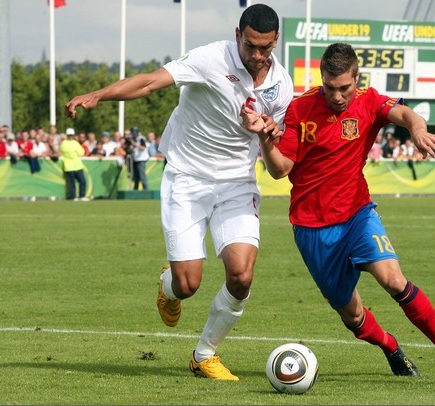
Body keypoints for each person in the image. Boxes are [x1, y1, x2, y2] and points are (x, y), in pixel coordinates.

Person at [64, 4, 292, 381]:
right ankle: (168, 287)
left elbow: (275, 161)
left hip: (237, 183)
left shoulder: (282, 86)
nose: (256, 56)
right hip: (187, 178)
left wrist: (266, 133)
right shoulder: (209, 58)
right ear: (238, 35)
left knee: (242, 275)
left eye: (265, 49)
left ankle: (205, 354)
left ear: (275, 42)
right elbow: (151, 81)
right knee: (187, 284)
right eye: (250, 45)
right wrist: (100, 94)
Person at [242, 42, 435, 387]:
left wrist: (417, 129)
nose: (337, 96)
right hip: (312, 229)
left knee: (394, 280)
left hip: (357, 215)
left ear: (357, 79)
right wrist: (265, 138)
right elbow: (280, 170)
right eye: (329, 87)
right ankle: (390, 346)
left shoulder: (369, 101)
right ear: (322, 79)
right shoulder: (300, 109)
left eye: (344, 88)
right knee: (353, 316)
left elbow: (406, 114)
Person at [60, 128, 88, 201]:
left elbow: (81, 152)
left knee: (80, 181)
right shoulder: (67, 143)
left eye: (71, 135)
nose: (70, 136)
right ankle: (75, 196)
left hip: (75, 165)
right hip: (71, 166)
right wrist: (75, 151)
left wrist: (75, 152)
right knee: (74, 182)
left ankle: (79, 196)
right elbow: (79, 152)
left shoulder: (71, 143)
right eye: (70, 135)